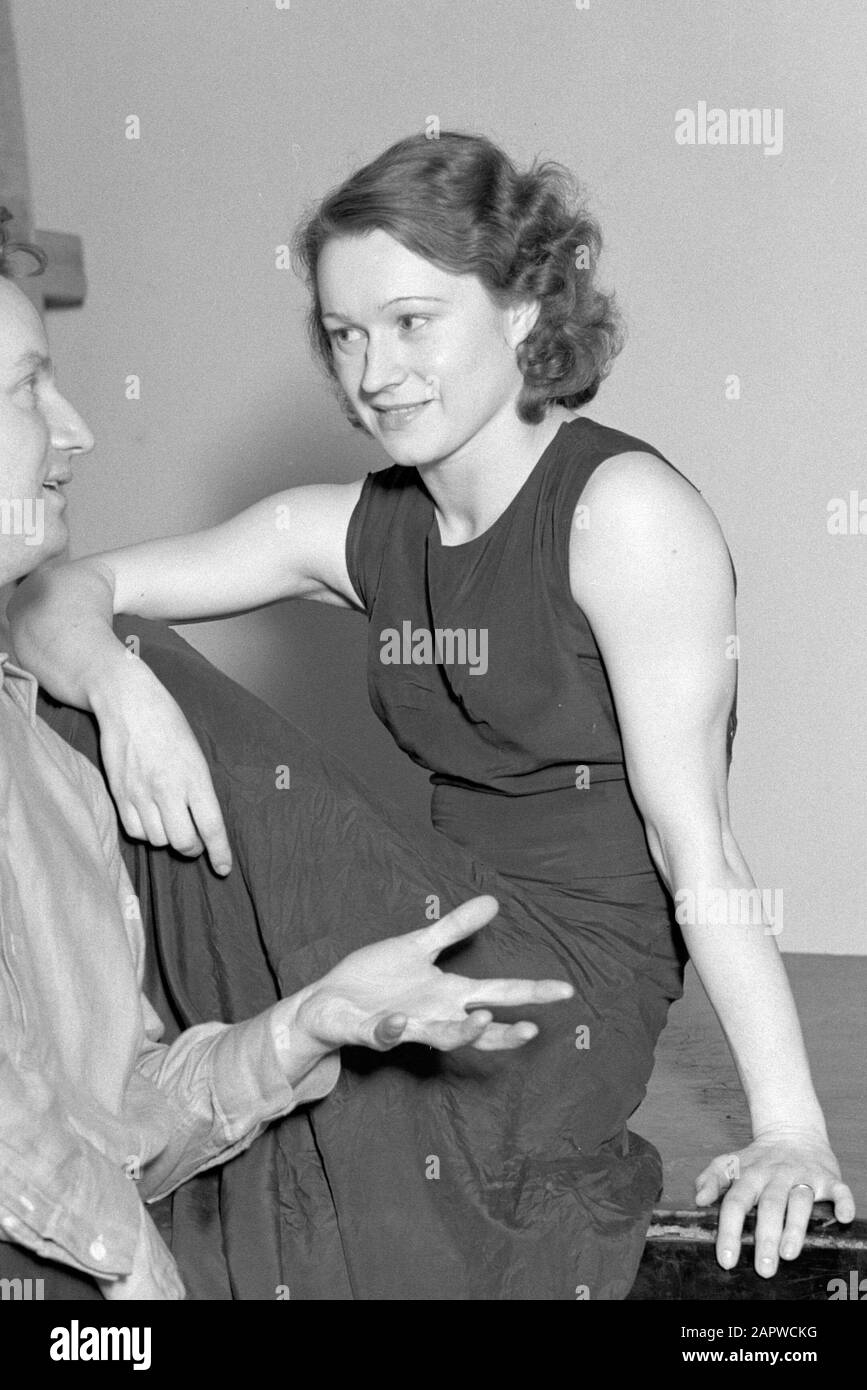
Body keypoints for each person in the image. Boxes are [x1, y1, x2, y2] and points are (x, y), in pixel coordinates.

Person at [10, 132, 854, 1299]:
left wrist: (791, 1124)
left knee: (131, 654)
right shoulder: (361, 525)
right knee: (102, 662)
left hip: (560, 992)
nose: (375, 372)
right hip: (429, 928)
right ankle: (68, 1113)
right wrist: (113, 686)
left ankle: (84, 1129)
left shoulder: (624, 514)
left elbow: (694, 842)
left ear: (520, 310)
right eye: (346, 335)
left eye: (413, 322)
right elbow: (48, 597)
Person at [0, 241, 574, 1301]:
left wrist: (302, 1024)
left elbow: (117, 1121)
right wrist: (128, 1266)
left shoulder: (48, 767)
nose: (77, 432)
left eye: (411, 322)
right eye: (31, 385)